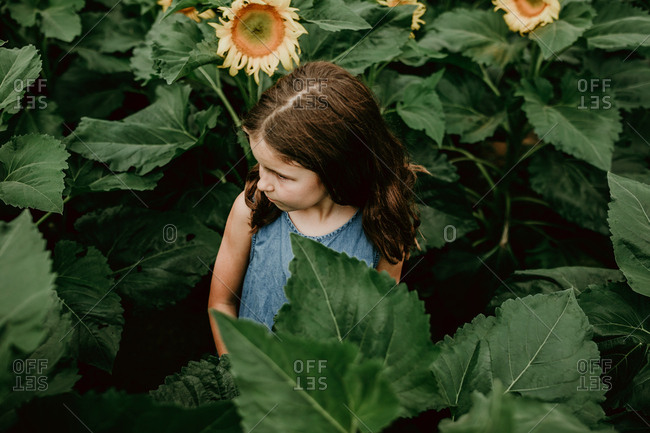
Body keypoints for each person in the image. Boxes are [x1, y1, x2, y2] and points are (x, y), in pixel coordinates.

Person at [208, 61, 426, 355]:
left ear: (337, 169)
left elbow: (377, 327)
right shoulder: (252, 208)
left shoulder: (381, 226)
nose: (262, 183)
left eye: (281, 175)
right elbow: (222, 302)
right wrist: (236, 371)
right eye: (260, 165)